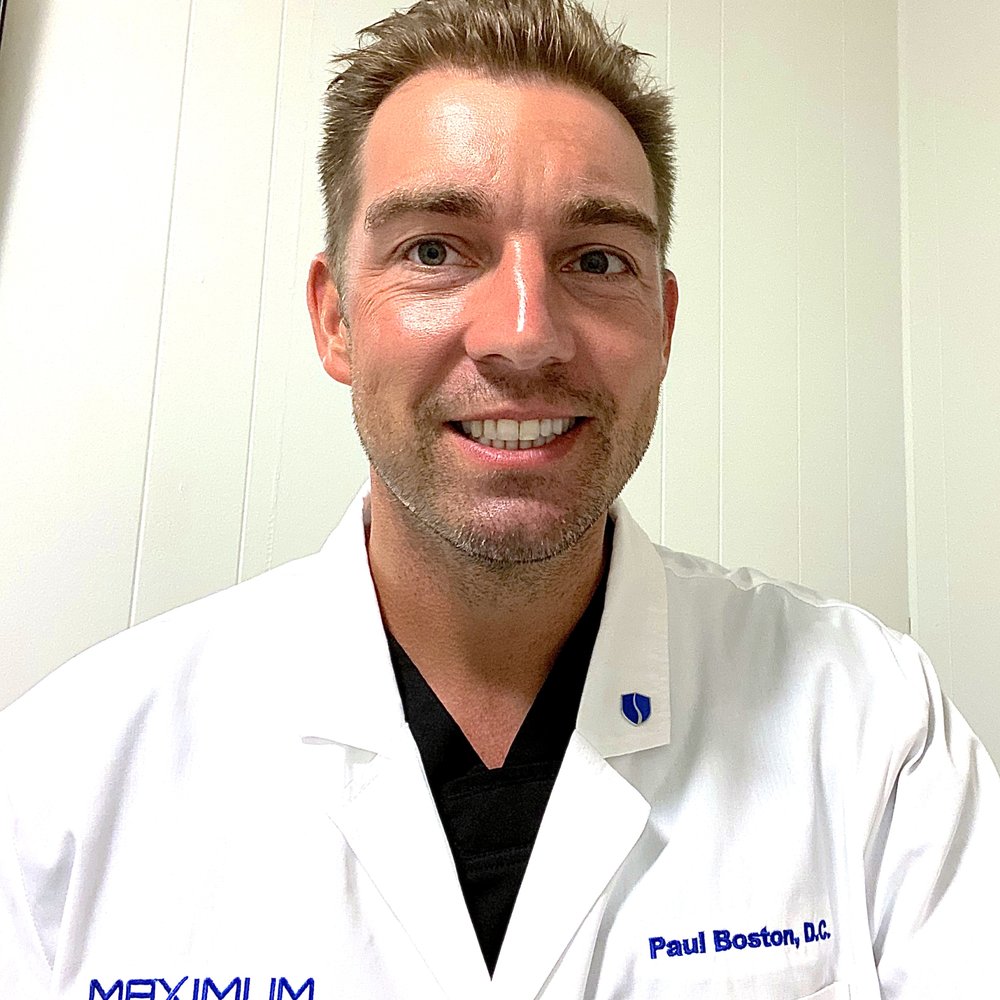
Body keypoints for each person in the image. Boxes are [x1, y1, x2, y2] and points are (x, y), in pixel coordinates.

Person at [2, 0, 997, 996]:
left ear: (662, 326)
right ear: (335, 318)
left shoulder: (873, 729)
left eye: (597, 260)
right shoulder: (65, 783)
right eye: (435, 250)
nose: (525, 335)